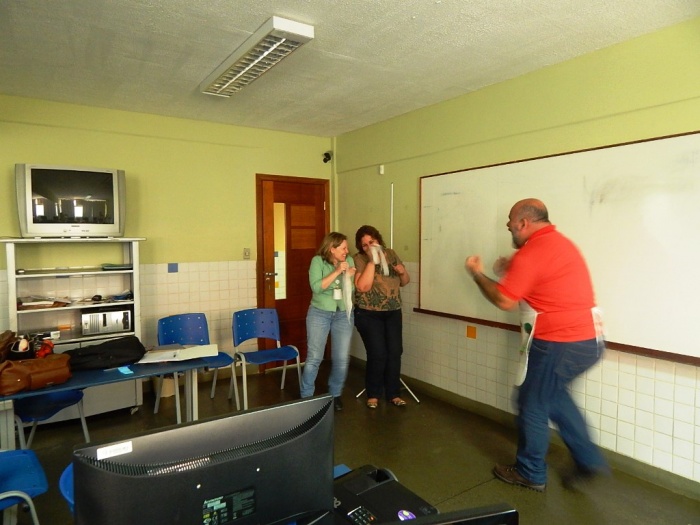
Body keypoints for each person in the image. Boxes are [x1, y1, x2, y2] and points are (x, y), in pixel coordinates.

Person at [464, 198, 608, 492]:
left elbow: (504, 299)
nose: (507, 226)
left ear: (523, 223)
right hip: (589, 342)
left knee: (531, 403)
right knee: (554, 397)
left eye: (510, 221)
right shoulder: (558, 244)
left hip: (560, 344)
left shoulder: (532, 253)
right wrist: (513, 267)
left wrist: (477, 274)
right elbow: (544, 280)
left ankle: (530, 472)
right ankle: (588, 459)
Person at [353, 225, 410, 409]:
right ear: (361, 248)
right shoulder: (359, 259)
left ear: (378, 240)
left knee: (395, 352)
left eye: (372, 241)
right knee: (377, 354)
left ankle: (393, 393)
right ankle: (373, 394)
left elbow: (405, 282)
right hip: (369, 313)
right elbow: (362, 287)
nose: (369, 246)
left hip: (393, 311)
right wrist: (372, 262)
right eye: (365, 245)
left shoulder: (391, 254)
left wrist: (402, 272)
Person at [300, 232, 356, 411]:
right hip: (319, 313)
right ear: (332, 249)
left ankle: (335, 394)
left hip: (343, 313)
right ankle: (306, 397)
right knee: (314, 357)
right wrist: (339, 272)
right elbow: (316, 287)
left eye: (347, 248)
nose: (347, 251)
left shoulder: (350, 261)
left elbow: (351, 289)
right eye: (343, 248)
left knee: (341, 358)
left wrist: (349, 277)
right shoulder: (318, 261)